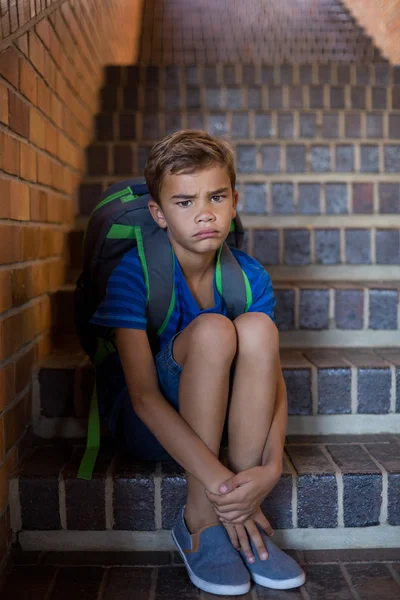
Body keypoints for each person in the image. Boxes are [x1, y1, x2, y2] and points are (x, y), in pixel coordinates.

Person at [90, 130, 305, 595]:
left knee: (258, 329)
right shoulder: (137, 274)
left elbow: (272, 376)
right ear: (159, 214)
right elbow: (144, 398)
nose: (204, 212)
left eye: (216, 197)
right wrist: (225, 490)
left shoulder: (249, 276)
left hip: (226, 426)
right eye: (184, 202)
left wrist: (269, 470)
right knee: (211, 329)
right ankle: (204, 522)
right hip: (150, 426)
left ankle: (240, 515)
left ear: (234, 202)